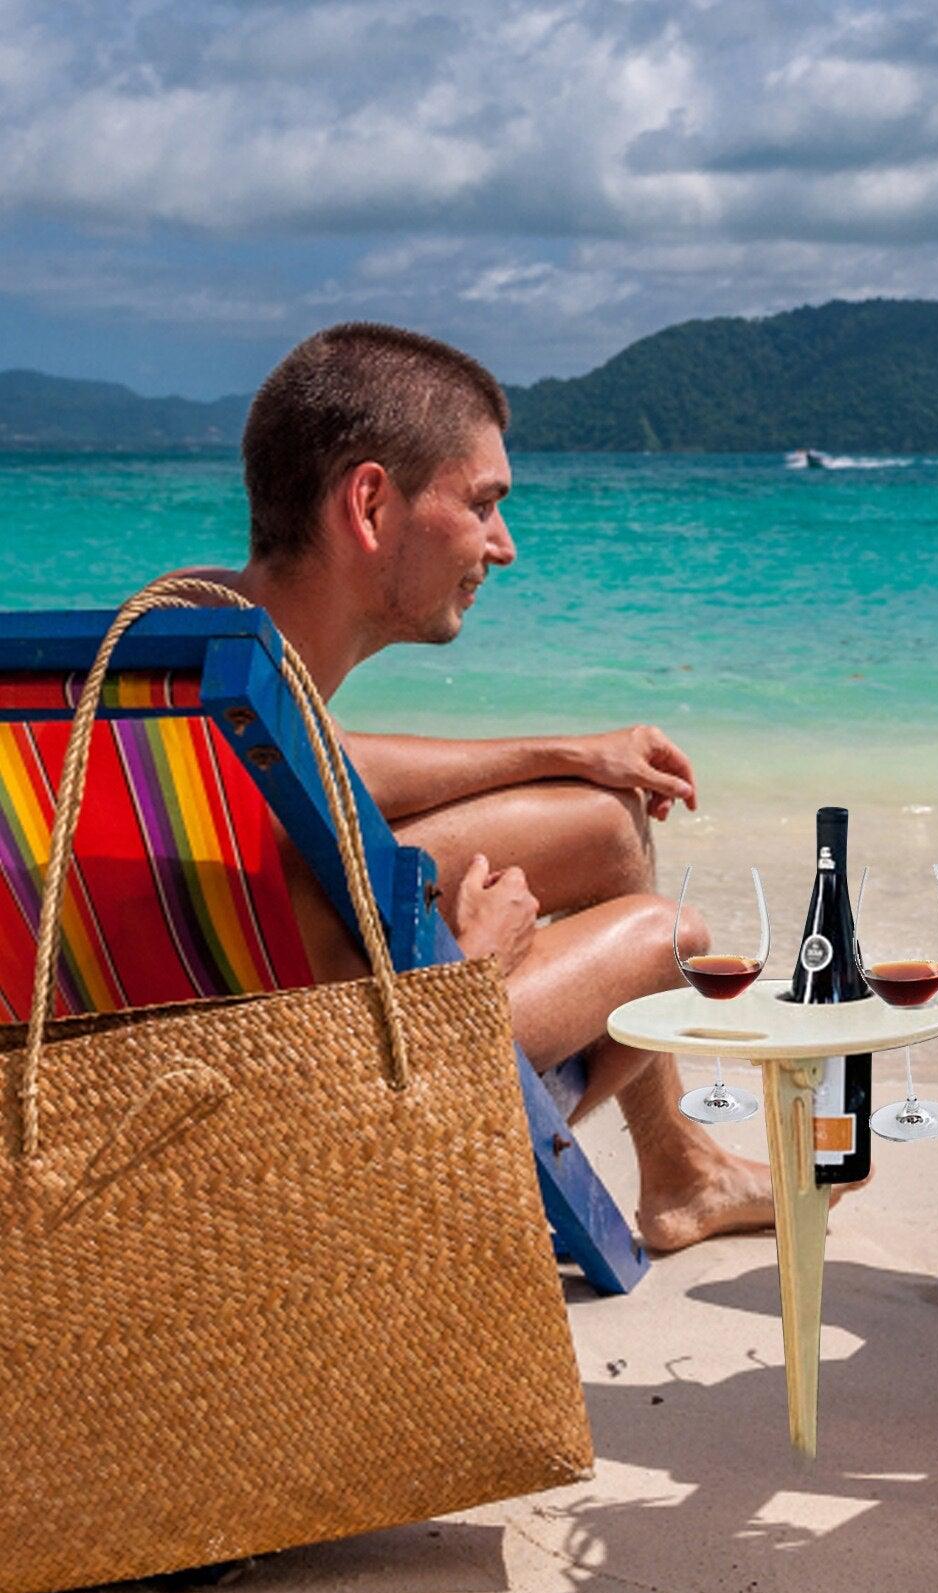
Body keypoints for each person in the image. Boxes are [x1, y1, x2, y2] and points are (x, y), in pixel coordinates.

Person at [177, 320, 790, 1253]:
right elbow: (340, 998)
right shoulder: (248, 695)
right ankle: (676, 1165)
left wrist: (566, 752)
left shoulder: (186, 634)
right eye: (484, 503)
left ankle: (681, 1166)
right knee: (677, 940)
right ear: (371, 505)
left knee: (603, 826)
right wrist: (466, 968)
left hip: (194, 1046)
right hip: (321, 1098)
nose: (503, 547)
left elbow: (328, 760)